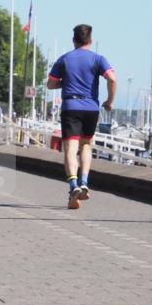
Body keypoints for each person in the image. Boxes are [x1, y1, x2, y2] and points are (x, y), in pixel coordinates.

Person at [47, 24, 116, 210]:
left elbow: (50, 84)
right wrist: (109, 101)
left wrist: (66, 83)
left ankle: (73, 186)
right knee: (86, 145)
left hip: (70, 106)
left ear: (74, 40)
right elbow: (112, 78)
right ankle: (84, 182)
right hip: (91, 107)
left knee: (70, 149)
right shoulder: (98, 59)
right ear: (90, 40)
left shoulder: (65, 59)